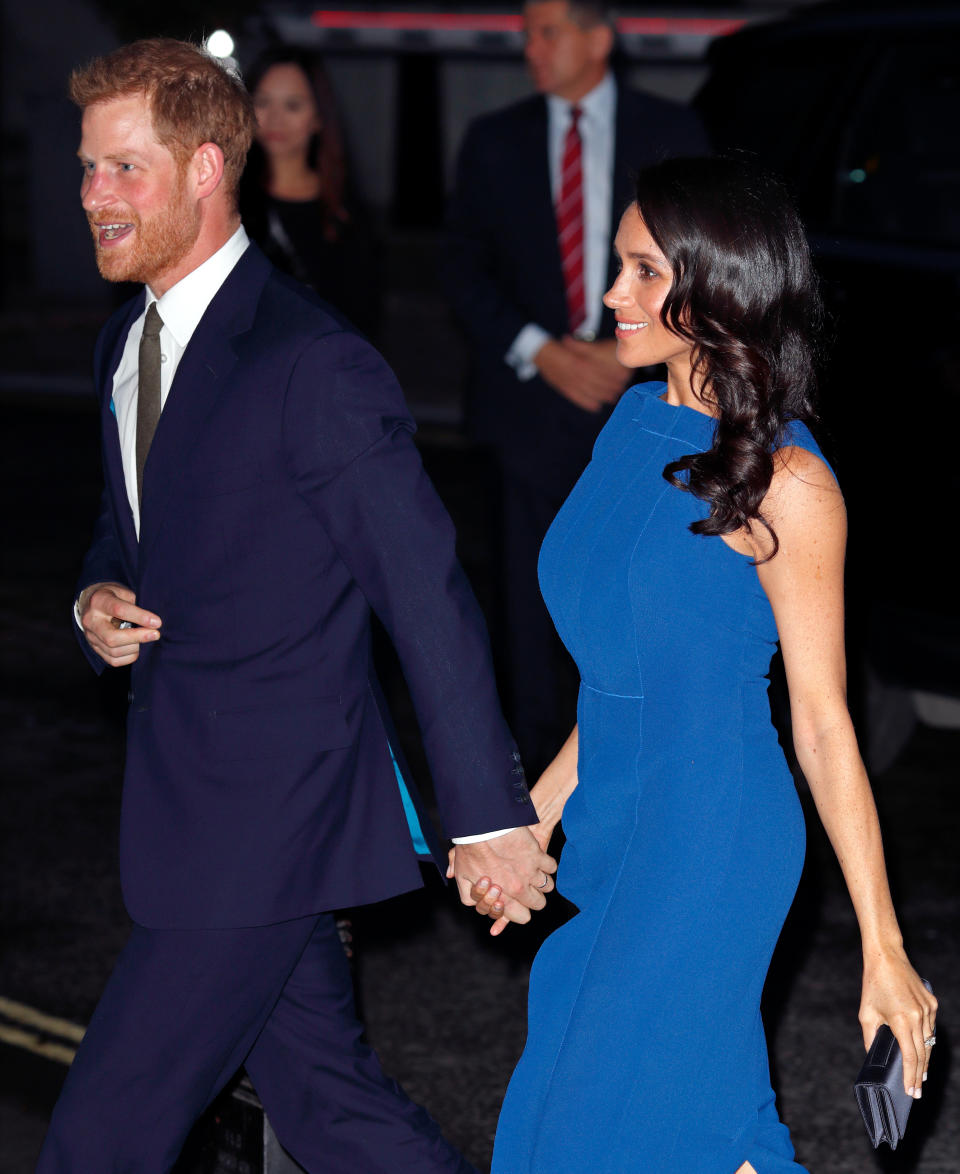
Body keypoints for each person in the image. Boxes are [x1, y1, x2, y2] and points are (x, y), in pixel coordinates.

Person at [41, 38, 556, 1174]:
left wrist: (486, 813)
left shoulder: (311, 363)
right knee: (331, 1108)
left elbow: (424, 595)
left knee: (99, 1138)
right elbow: (131, 526)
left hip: (266, 820)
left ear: (209, 167)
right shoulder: (126, 343)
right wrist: (95, 594)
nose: (92, 194)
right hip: (191, 807)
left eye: (124, 168)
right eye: (87, 168)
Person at [467, 156, 937, 1173]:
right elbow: (624, 678)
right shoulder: (632, 424)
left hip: (710, 844)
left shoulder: (791, 485)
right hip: (618, 825)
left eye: (643, 272)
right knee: (704, 1136)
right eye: (618, 267)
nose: (609, 297)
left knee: (578, 1135)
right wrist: (531, 819)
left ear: (716, 285)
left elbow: (822, 722)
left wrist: (884, 946)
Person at [443, 0, 708, 775]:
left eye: (548, 30)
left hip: (648, 408)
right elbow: (461, 267)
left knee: (640, 594)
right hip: (528, 409)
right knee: (527, 609)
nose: (530, 46)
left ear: (599, 38)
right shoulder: (495, 140)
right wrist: (543, 351)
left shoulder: (673, 131)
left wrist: (624, 355)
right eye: (525, 32)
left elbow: (701, 260)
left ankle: (639, 768)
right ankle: (529, 796)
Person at [239, 47, 380, 336]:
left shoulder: (344, 214)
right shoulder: (223, 200)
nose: (275, 118)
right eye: (263, 101)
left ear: (318, 117)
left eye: (293, 105)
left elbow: (362, 323)